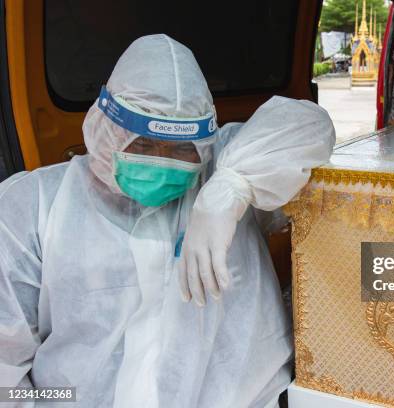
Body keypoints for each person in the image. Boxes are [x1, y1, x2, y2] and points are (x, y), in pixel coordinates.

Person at [0, 34, 335, 407]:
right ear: (107, 128)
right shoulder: (33, 207)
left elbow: (309, 125)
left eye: (181, 148)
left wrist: (229, 190)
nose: (162, 159)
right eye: (142, 144)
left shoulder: (227, 168)